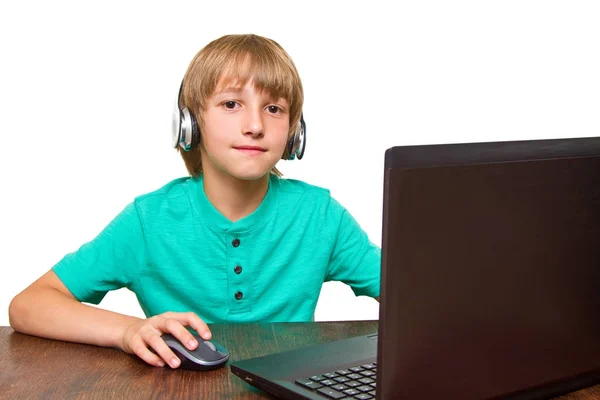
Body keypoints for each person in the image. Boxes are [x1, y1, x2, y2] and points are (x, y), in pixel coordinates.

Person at [8, 34, 380, 370]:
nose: (255, 125)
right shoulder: (149, 220)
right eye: (232, 103)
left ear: (294, 132)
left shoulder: (320, 216)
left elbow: (415, 294)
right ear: (190, 123)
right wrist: (128, 331)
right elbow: (29, 306)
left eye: (274, 109)